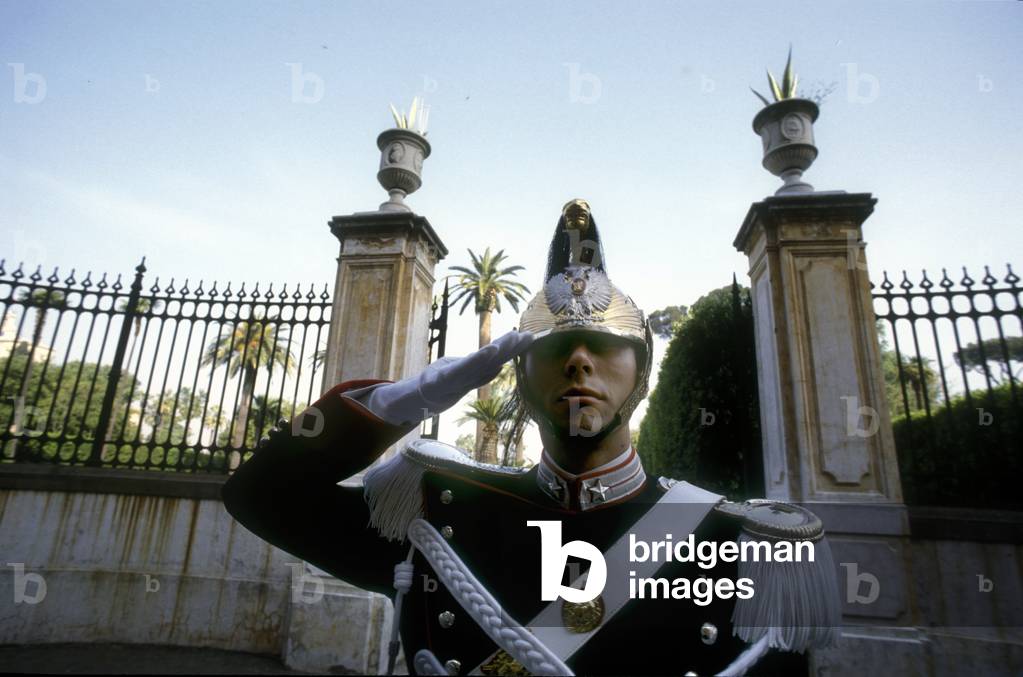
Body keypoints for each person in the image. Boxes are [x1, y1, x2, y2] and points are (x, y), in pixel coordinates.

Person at [221, 200, 840, 676]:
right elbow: (262, 497)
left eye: (603, 346)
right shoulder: (438, 510)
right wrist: (396, 402)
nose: (578, 362)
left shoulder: (744, 547)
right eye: (551, 348)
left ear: (643, 375)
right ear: (516, 373)